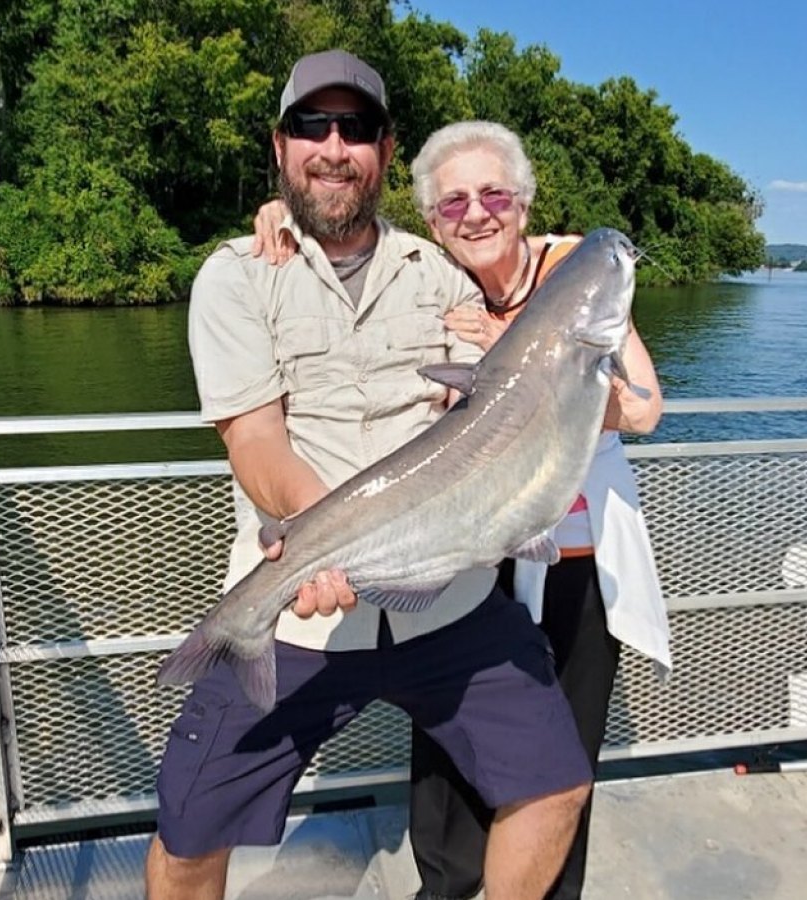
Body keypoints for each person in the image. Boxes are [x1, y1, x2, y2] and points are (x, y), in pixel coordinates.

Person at [145, 51, 592, 900]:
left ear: (386, 152)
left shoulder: (440, 273)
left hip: (449, 603)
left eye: (356, 129)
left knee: (555, 785)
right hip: (294, 613)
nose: (334, 145)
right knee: (190, 830)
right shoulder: (236, 279)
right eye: (314, 126)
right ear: (280, 147)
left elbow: (517, 382)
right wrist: (322, 545)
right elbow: (256, 444)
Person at [253, 119, 672, 900]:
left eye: (492, 194)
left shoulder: (575, 269)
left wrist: (530, 374)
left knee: (556, 766)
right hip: (459, 554)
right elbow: (334, 229)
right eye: (451, 204)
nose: (475, 214)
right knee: (447, 767)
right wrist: (279, 217)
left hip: (570, 559)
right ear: (432, 219)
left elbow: (645, 410)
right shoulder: (431, 282)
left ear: (523, 199)